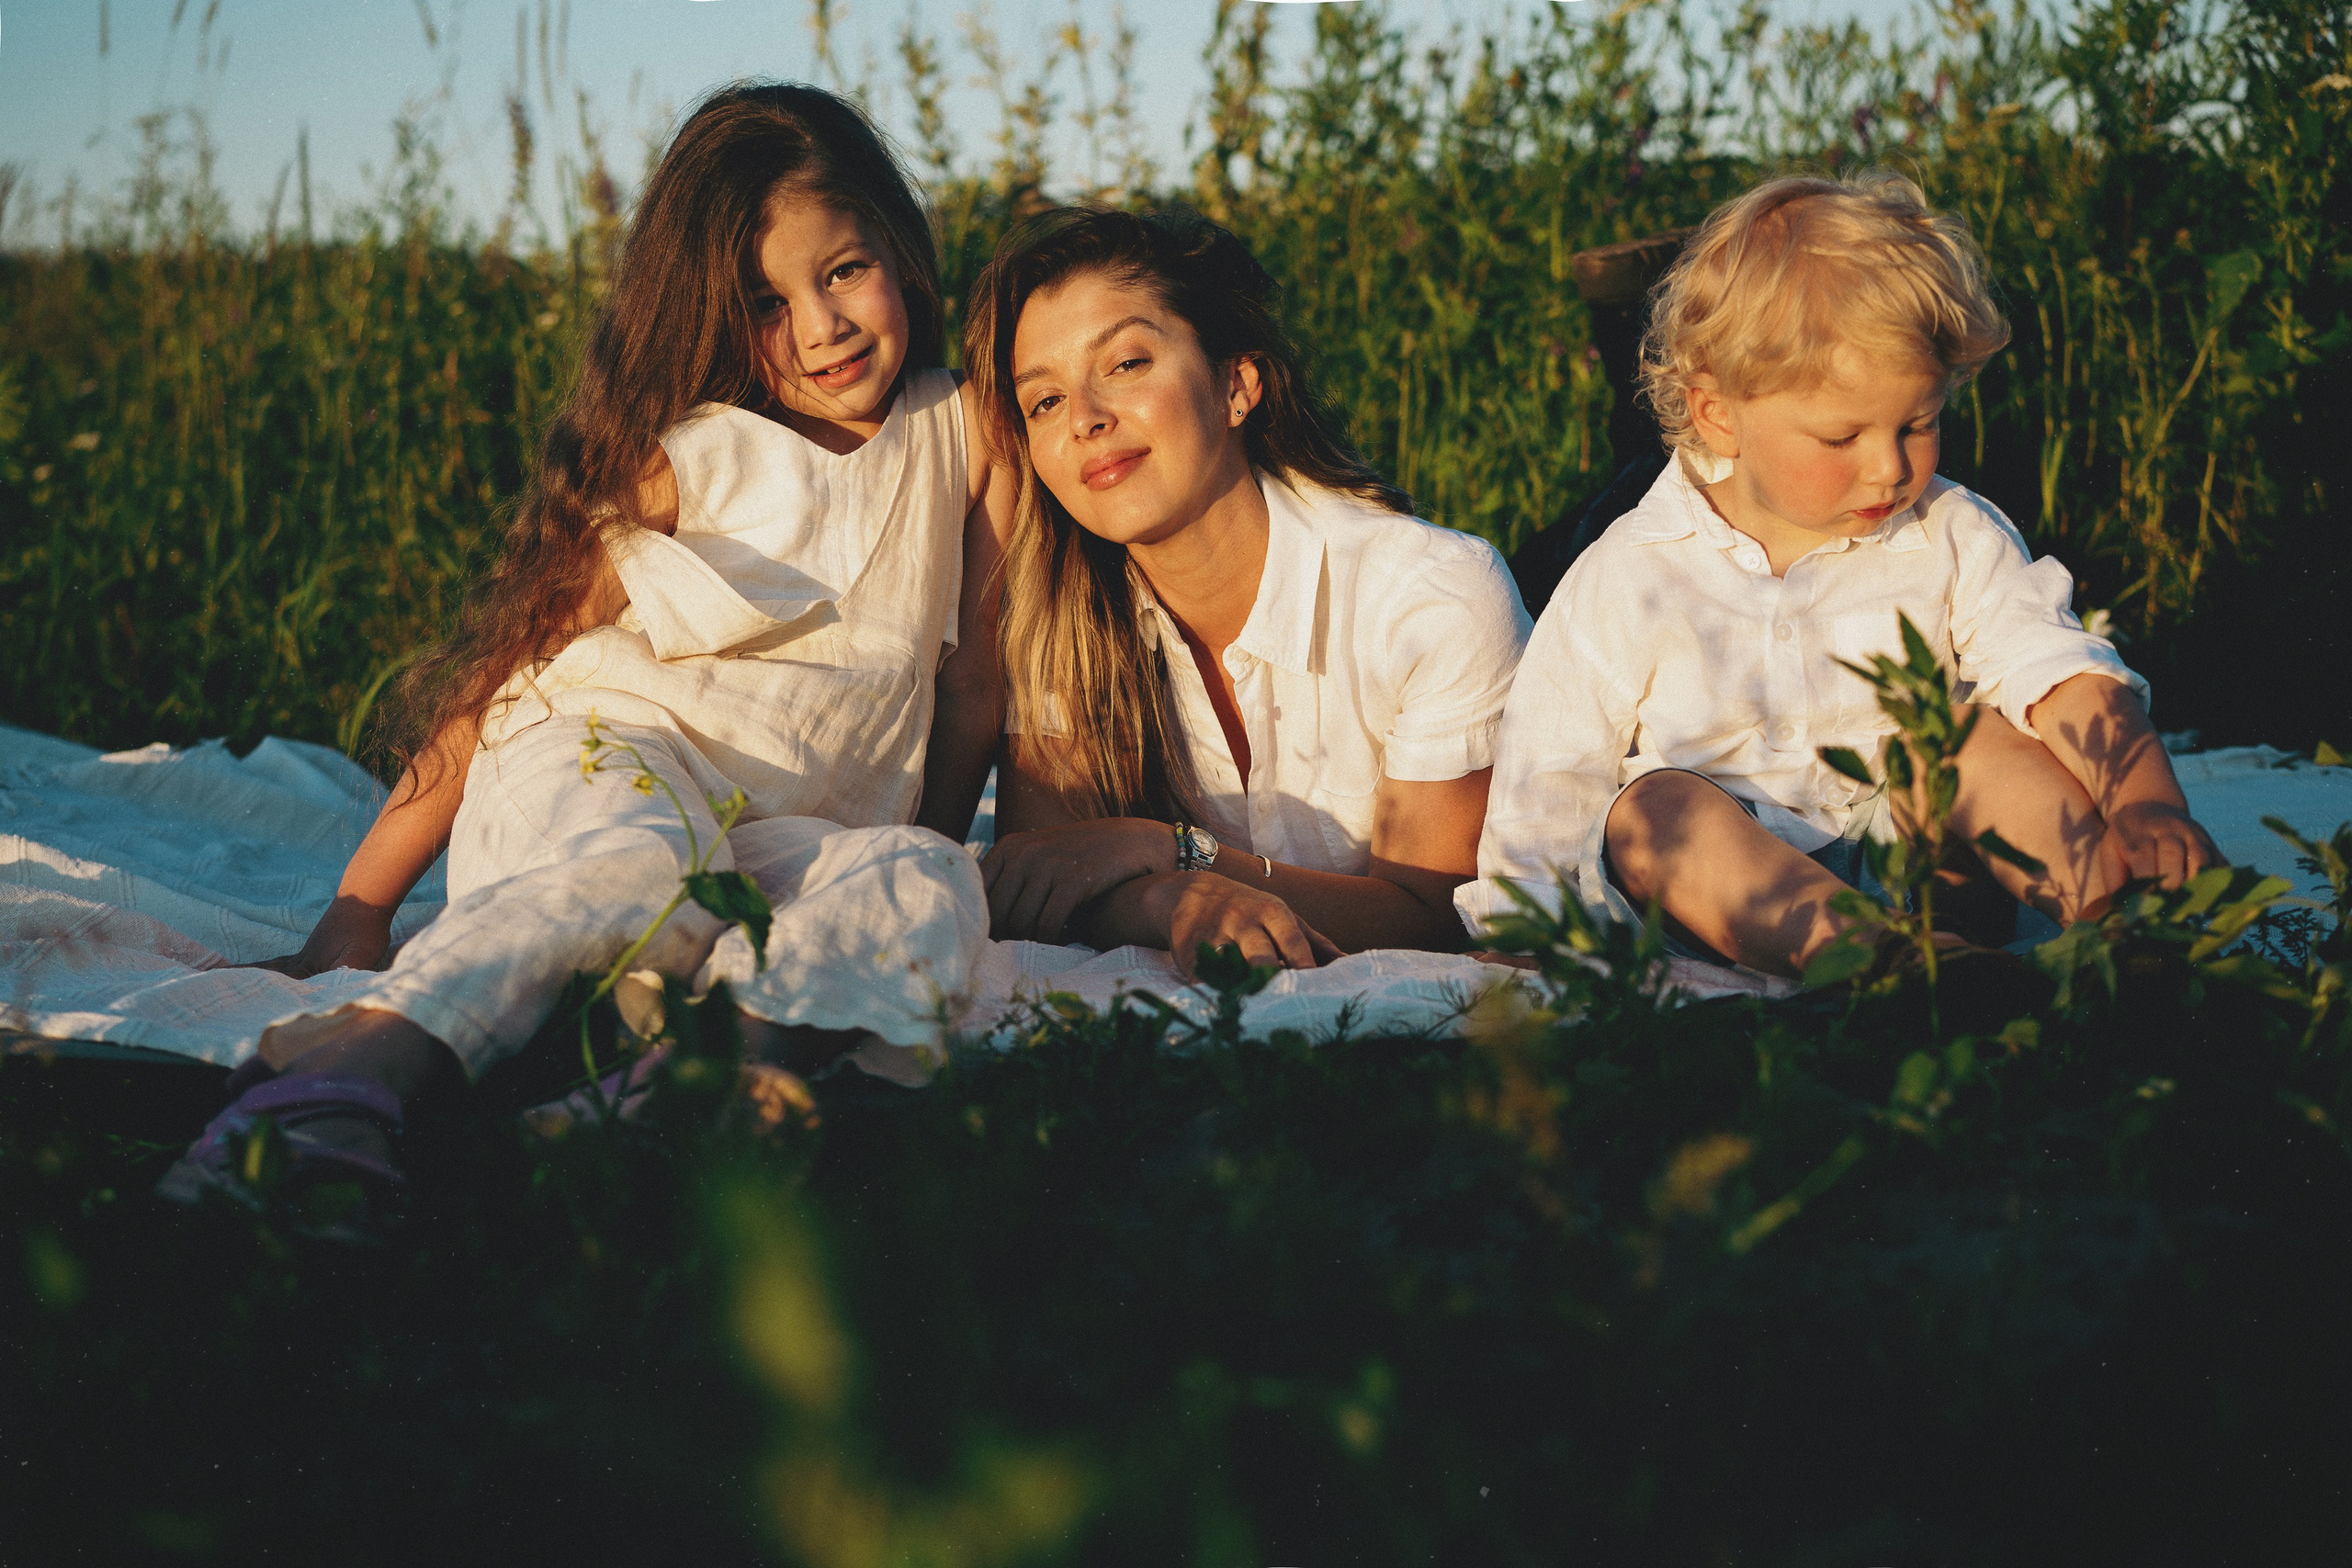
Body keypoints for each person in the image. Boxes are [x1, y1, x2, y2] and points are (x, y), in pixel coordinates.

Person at [162, 83, 1014, 1212]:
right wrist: (360, 909)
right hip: (603, 765)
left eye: (844, 270)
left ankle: (686, 1090)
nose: (822, 326)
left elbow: (972, 686)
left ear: (899, 248)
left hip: (779, 838)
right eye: (765, 302)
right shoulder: (694, 459)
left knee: (925, 878)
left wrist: (912, 844)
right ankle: (340, 1078)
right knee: (638, 867)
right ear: (709, 316)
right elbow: (505, 670)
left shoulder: (967, 434)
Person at [1460, 171, 2218, 976]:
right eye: (1841, 438)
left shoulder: (1952, 532)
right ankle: (1891, 965)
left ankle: (2122, 921)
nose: (1890, 467)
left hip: (1922, 867)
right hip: (1728, 897)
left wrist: (2144, 801)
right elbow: (1551, 770)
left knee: (1958, 737)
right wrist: (1527, 924)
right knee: (1652, 809)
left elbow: (2059, 672)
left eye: (1919, 423)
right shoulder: (1633, 571)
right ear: (1719, 414)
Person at [964, 209, 1530, 976]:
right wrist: (1170, 900)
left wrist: (1174, 853)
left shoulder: (1431, 598)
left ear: (1236, 383)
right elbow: (1042, 883)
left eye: (1125, 363)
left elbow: (1436, 923)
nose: (1086, 420)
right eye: (1045, 401)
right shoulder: (1061, 622)